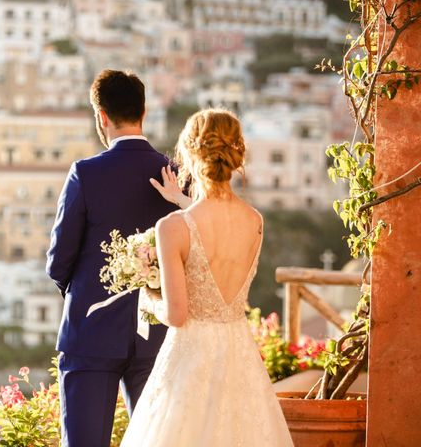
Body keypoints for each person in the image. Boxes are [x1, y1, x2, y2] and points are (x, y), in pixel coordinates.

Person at [120, 109, 294, 446]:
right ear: (235, 153)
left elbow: (176, 315)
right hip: (238, 352)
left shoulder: (172, 228)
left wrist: (148, 298)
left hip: (191, 357)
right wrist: (181, 201)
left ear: (187, 153)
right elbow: (213, 223)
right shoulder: (255, 221)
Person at [46, 69, 177, 447]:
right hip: (157, 333)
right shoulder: (174, 175)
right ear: (144, 112)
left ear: (102, 116)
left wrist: (85, 294)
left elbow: (59, 261)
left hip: (92, 331)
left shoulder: (85, 174)